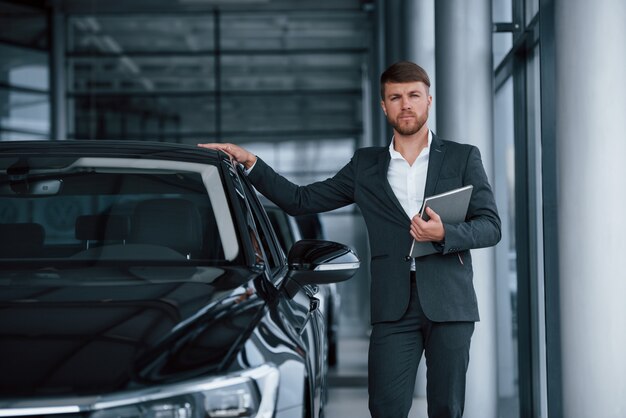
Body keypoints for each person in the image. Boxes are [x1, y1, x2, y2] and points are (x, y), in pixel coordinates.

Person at [199, 60, 501, 418]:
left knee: (446, 409)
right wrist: (251, 163)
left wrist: (444, 233)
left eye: (414, 96)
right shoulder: (365, 165)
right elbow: (301, 200)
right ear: (384, 105)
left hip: (450, 304)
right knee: (385, 407)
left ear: (429, 101)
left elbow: (490, 225)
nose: (405, 104)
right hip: (393, 305)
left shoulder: (462, 157)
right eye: (396, 97)